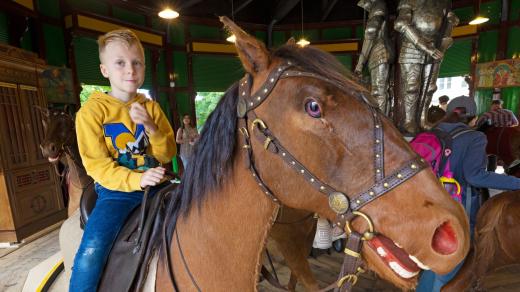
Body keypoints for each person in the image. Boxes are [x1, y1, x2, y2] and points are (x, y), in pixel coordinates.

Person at [71, 29, 176, 291]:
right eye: (120, 63)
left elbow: (167, 153)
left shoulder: (151, 107)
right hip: (116, 191)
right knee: (92, 250)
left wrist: (152, 128)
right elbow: (97, 166)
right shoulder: (92, 112)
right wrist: (136, 178)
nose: (130, 69)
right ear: (104, 70)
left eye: (137, 62)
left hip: (158, 184)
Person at [417, 95, 520, 292]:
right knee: (451, 262)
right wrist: (516, 182)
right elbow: (475, 177)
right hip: (459, 205)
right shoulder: (475, 137)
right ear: (473, 118)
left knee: (435, 256)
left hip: (430, 202)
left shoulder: (433, 132)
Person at [394, 0, 458, 134]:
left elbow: (446, 28)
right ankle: (409, 120)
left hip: (435, 47)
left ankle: (423, 119)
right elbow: (400, 23)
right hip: (412, 46)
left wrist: (443, 43)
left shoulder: (443, 4)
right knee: (412, 87)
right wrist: (423, 45)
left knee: (430, 88)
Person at [354, 0, 393, 115]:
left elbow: (371, 31)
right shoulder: (378, 6)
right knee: (381, 89)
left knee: (378, 91)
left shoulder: (378, 5)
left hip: (379, 51)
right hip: (380, 50)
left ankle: (381, 123)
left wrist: (360, 63)